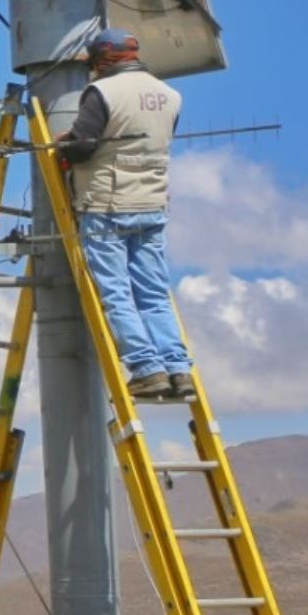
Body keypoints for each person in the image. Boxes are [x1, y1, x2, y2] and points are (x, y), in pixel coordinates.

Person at [55, 27, 194, 400]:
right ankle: (178, 370)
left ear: (102, 60)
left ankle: (147, 369)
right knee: (153, 294)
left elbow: (83, 147)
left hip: (107, 205)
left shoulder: (102, 92)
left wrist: (62, 147)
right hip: (151, 205)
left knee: (116, 293)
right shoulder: (170, 95)